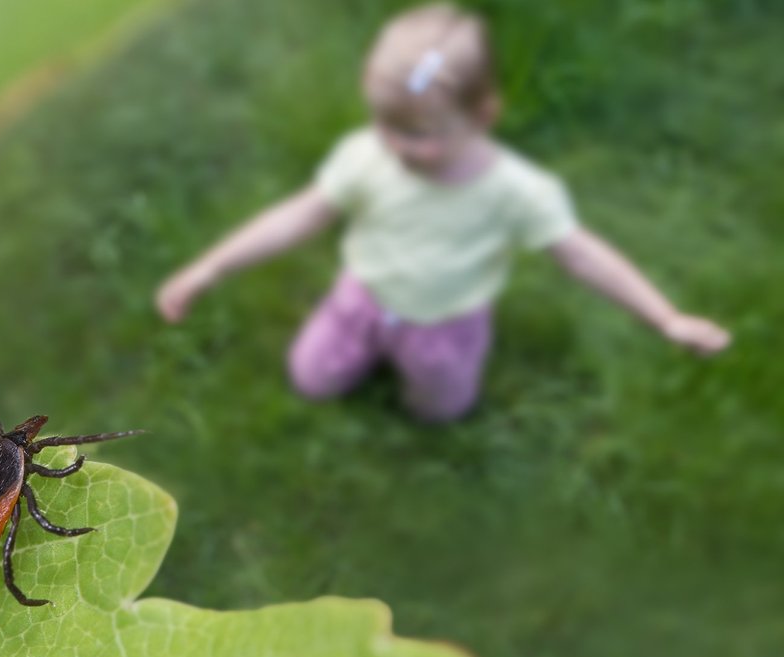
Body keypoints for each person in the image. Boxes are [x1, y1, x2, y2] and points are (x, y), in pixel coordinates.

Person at [154, 2, 730, 423]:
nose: (399, 145)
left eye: (420, 132)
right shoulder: (366, 157)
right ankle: (357, 350)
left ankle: (428, 387)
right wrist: (211, 267)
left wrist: (665, 317)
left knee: (440, 410)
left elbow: (582, 255)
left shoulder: (519, 192)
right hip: (361, 300)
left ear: (484, 112)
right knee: (310, 380)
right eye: (386, 124)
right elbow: (300, 216)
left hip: (447, 322)